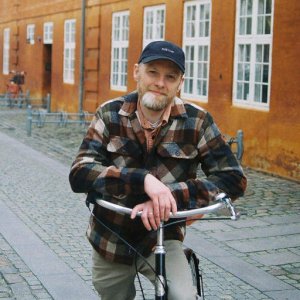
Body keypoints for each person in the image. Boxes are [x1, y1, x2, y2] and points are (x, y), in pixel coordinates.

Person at [69, 40, 247, 300]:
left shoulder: (197, 121)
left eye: (170, 76)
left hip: (164, 236)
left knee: (182, 297)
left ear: (180, 82)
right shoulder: (109, 114)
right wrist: (142, 181)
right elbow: (80, 173)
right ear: (136, 72)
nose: (160, 83)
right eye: (152, 72)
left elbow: (233, 178)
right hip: (110, 238)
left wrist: (169, 196)